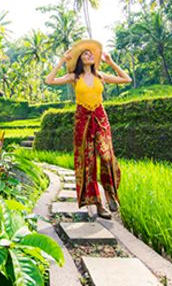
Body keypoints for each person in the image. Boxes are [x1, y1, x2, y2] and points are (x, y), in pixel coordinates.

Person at [45, 39, 132, 219]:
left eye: (91, 53)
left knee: (107, 157)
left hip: (100, 117)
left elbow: (127, 79)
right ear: (80, 59)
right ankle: (98, 204)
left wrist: (111, 62)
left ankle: (110, 195)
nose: (90, 55)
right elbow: (49, 80)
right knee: (88, 161)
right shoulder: (74, 77)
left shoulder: (100, 75)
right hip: (82, 119)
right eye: (86, 53)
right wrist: (62, 61)